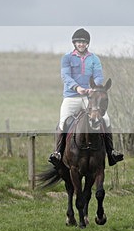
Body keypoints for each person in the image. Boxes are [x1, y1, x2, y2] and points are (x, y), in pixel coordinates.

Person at [48, 28, 124, 167]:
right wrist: (78, 88)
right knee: (63, 122)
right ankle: (58, 153)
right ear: (74, 43)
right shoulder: (67, 58)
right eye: (78, 42)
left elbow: (98, 75)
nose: (81, 44)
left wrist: (94, 88)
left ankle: (111, 152)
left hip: (90, 98)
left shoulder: (94, 59)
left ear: (87, 43)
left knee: (106, 119)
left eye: (83, 42)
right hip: (71, 97)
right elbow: (66, 76)